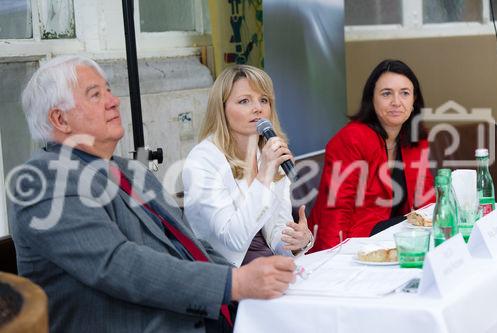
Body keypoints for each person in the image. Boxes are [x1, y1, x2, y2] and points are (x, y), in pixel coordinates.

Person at [7, 55, 296, 333]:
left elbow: (190, 245)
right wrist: (233, 282)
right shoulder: (44, 181)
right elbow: (118, 264)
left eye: (109, 90)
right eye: (95, 95)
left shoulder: (132, 172)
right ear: (60, 119)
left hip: (204, 316)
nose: (113, 101)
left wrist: (249, 278)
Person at [182, 65, 313, 267]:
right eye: (244, 101)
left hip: (270, 265)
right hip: (229, 274)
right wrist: (265, 173)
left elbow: (276, 230)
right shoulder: (202, 160)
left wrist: (296, 242)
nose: (257, 108)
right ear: (222, 109)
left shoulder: (267, 154)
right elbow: (234, 239)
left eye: (264, 100)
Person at [308, 59, 435, 251]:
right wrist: (332, 258)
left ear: (414, 100)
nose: (396, 102)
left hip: (393, 238)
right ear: (372, 98)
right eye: (386, 94)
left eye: (405, 93)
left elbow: (426, 204)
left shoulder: (415, 139)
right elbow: (336, 209)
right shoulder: (352, 139)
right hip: (354, 241)